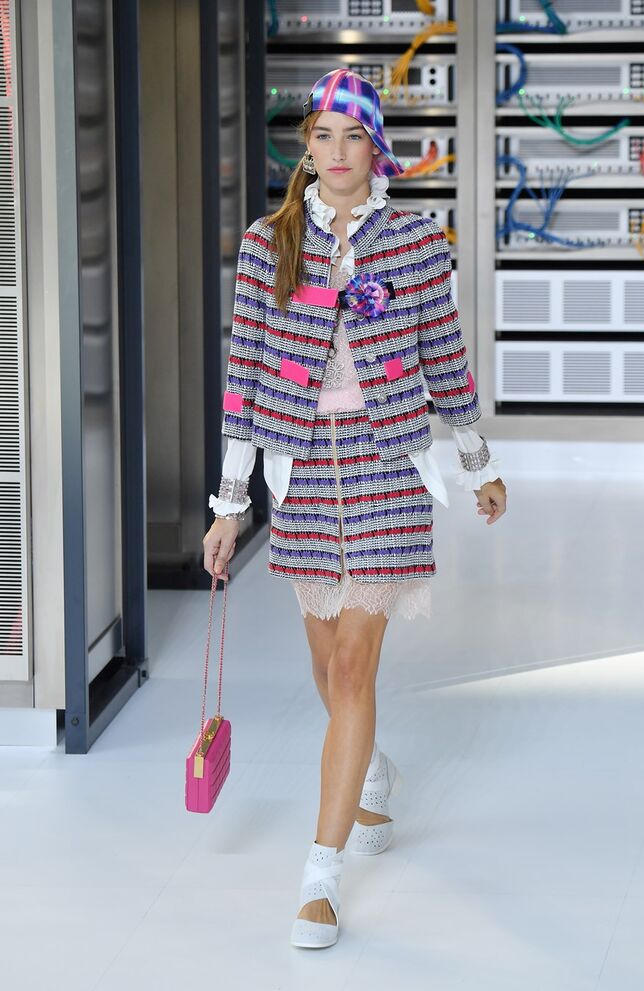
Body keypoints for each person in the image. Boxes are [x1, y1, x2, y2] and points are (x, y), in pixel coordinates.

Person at [202, 68, 507, 949]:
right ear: (307, 147)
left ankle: (320, 876)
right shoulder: (268, 243)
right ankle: (369, 766)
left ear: (378, 149)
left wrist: (478, 461)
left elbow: (445, 353)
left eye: (354, 136)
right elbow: (244, 376)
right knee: (326, 658)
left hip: (386, 464)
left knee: (349, 671)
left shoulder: (415, 242)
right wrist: (229, 503)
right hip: (300, 472)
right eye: (323, 135)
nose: (338, 152)